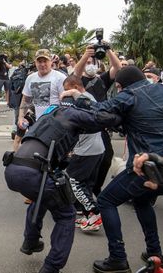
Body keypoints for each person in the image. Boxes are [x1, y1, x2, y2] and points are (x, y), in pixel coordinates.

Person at [62, 66, 163, 273]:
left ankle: (117, 259)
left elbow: (101, 110)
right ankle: (154, 253)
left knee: (105, 200)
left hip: (147, 165)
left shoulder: (129, 95)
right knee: (142, 201)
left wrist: (78, 96)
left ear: (121, 86)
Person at [4, 74, 123, 273]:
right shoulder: (75, 112)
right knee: (66, 215)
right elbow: (106, 119)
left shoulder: (49, 111)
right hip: (34, 172)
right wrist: (84, 98)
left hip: (13, 168)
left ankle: (30, 242)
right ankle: (51, 267)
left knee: (40, 198)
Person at [73, 44, 120, 197]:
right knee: (83, 160)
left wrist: (108, 51)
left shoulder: (102, 80)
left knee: (106, 158)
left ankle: (96, 187)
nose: (90, 66)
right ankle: (82, 188)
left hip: (100, 125)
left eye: (93, 63)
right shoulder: (79, 81)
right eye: (87, 63)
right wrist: (86, 55)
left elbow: (117, 68)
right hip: (83, 126)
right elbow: (77, 71)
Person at [63, 76, 105, 232]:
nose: (64, 93)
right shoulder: (89, 98)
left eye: (67, 89)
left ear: (74, 87)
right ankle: (89, 215)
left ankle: (94, 214)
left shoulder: (82, 99)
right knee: (86, 183)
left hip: (86, 150)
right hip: (96, 148)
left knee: (74, 181)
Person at [18, 49, 66, 129]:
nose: (42, 64)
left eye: (45, 61)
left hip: (57, 125)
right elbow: (25, 100)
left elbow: (66, 102)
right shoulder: (31, 78)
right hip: (38, 124)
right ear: (35, 63)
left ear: (51, 61)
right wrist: (21, 118)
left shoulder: (60, 78)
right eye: (39, 61)